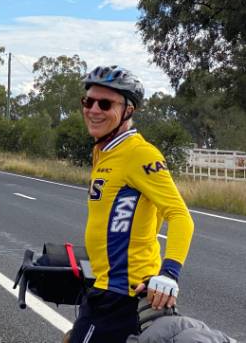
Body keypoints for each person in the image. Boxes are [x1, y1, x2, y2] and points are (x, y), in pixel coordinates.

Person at [67, 65, 195, 343]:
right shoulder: (104, 151)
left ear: (128, 110)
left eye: (105, 103)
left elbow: (179, 215)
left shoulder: (139, 154)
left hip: (124, 294)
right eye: (88, 101)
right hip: (103, 287)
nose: (93, 110)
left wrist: (170, 274)